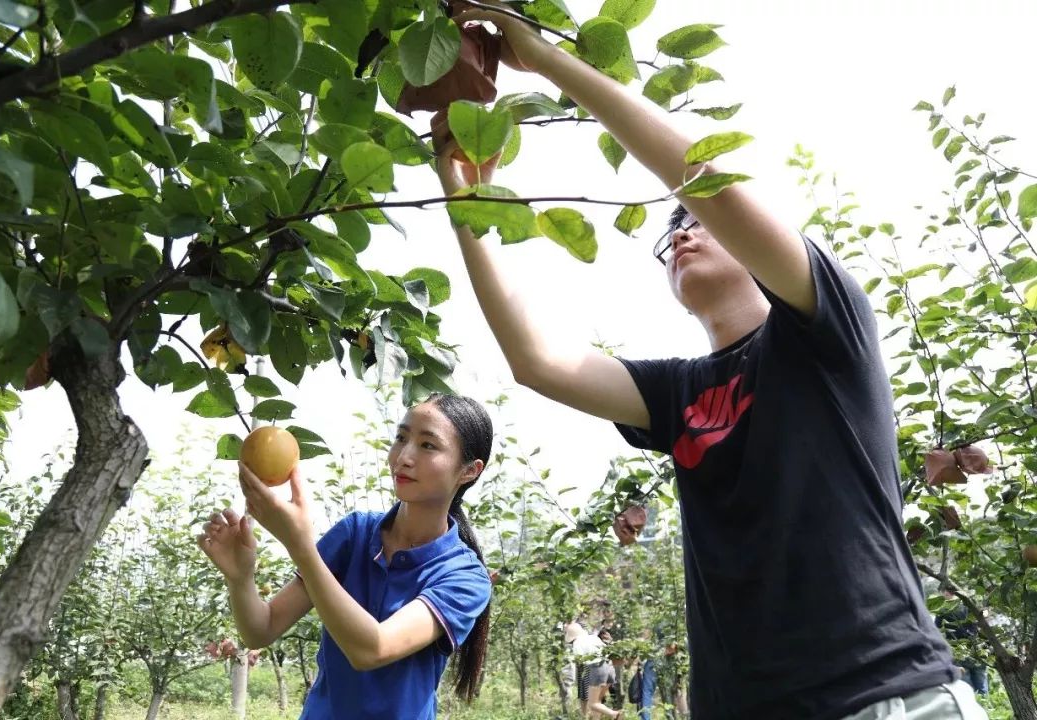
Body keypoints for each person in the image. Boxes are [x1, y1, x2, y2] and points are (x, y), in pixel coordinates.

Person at [436, 4, 989, 718]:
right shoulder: (678, 392)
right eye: (671, 237)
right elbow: (536, 359)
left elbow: (710, 184)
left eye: (696, 223)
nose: (682, 237)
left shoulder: (826, 329)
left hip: (885, 697)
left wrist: (545, 61)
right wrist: (464, 190)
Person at [197, 394, 494, 719]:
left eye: (427, 446)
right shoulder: (355, 535)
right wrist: (240, 578)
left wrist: (300, 545)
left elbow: (373, 649)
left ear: (469, 470)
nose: (404, 456)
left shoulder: (464, 575)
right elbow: (261, 629)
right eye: (401, 437)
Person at [936, 590, 989, 696]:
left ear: (946, 593)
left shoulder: (943, 609)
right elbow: (984, 615)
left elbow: (936, 628)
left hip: (959, 651)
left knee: (968, 687)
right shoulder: (969, 604)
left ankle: (972, 708)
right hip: (977, 648)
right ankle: (986, 708)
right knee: (981, 682)